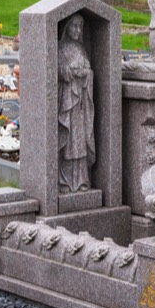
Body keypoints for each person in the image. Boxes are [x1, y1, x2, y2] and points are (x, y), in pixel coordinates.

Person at [58, 14, 96, 193]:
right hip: (68, 101)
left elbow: (88, 70)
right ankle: (64, 182)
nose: (77, 31)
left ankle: (81, 181)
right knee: (68, 141)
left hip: (81, 102)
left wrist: (86, 74)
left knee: (80, 142)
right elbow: (61, 71)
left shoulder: (81, 49)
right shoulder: (61, 48)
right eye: (74, 27)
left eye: (80, 28)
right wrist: (71, 73)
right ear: (67, 28)